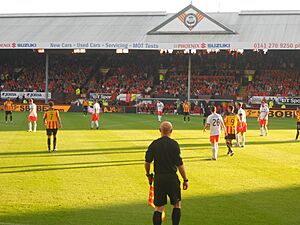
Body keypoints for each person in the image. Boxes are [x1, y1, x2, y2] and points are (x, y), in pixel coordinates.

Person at [145, 121, 188, 225]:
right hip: (172, 178)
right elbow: (180, 164)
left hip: (159, 178)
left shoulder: (154, 144)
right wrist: (185, 179)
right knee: (176, 204)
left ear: (160, 131)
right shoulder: (174, 144)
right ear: (171, 131)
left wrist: (148, 175)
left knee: (158, 208)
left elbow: (147, 162)